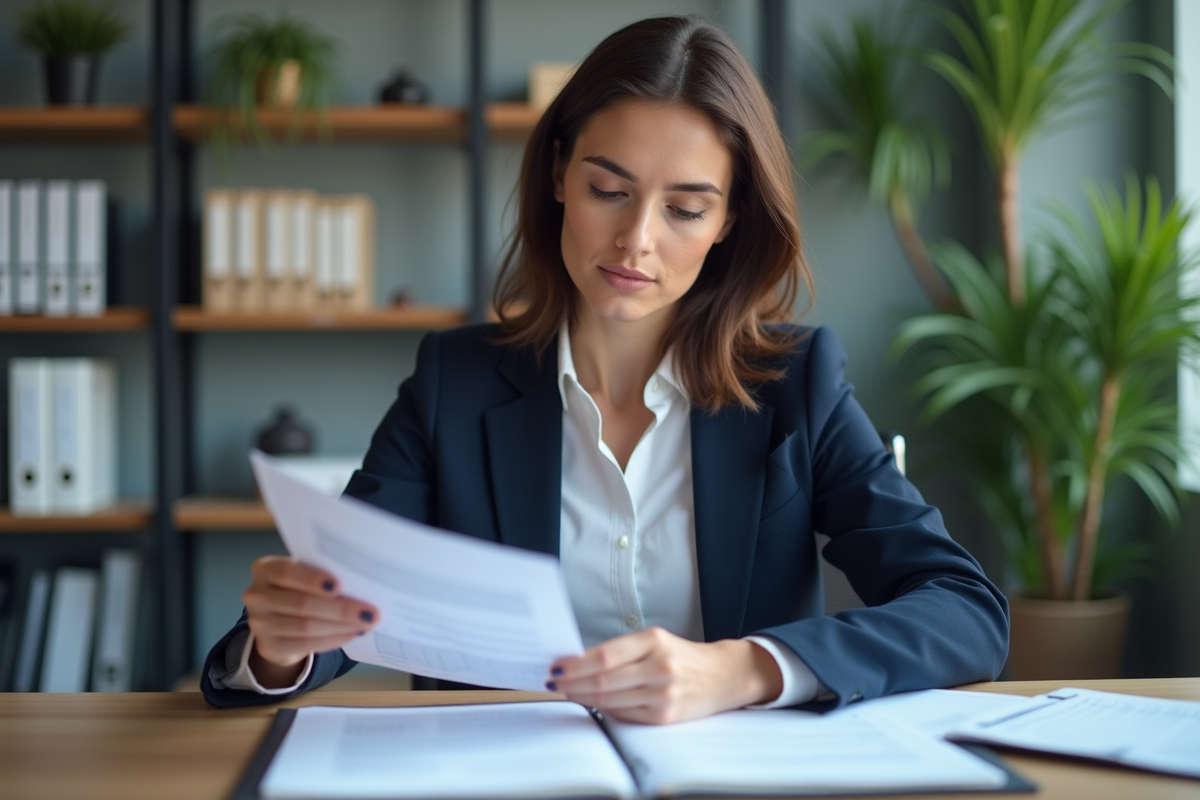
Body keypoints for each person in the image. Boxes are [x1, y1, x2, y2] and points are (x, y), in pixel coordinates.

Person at [202, 16, 1008, 723]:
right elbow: (347, 604)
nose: (636, 242)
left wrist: (742, 669)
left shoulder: (796, 383)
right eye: (608, 190)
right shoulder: (456, 380)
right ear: (559, 175)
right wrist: (285, 646)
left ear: (730, 220)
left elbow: (965, 613)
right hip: (506, 781)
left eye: (686, 209)